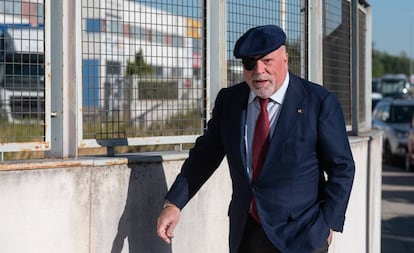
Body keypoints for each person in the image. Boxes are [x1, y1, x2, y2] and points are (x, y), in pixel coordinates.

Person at [157, 24, 355, 253]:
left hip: (302, 236)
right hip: (246, 234)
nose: (258, 71)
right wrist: (174, 203)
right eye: (250, 64)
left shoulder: (318, 102)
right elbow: (205, 156)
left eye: (267, 61)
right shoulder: (230, 102)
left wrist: (328, 223)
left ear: (285, 59)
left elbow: (342, 167)